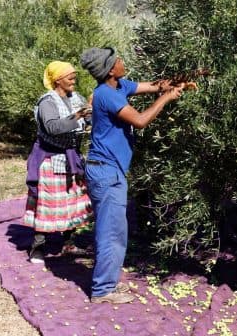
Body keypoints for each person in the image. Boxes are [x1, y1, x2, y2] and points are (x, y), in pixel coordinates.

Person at [79, 47, 183, 304]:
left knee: (116, 229)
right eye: (118, 60)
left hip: (107, 169)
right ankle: (102, 290)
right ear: (110, 70)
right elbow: (140, 120)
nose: (122, 61)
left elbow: (153, 86)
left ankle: (108, 283)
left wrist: (183, 80)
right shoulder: (106, 95)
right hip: (106, 171)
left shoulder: (119, 86)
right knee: (110, 231)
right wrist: (166, 99)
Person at [23, 61, 94, 264]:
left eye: (74, 76)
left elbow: (89, 121)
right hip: (50, 159)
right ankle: (37, 247)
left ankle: (68, 242)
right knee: (46, 204)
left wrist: (93, 110)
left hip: (71, 159)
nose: (74, 79)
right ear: (57, 80)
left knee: (71, 202)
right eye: (69, 76)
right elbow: (53, 127)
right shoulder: (47, 102)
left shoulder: (76, 98)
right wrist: (80, 113)